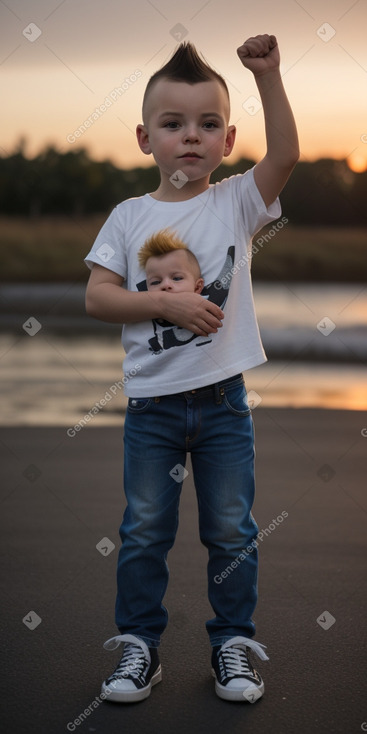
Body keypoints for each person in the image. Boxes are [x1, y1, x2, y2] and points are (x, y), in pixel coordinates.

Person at [85, 34, 299, 704]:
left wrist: (267, 75)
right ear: (145, 137)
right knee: (144, 529)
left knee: (231, 528)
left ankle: (231, 646)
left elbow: (288, 154)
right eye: (173, 125)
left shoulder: (235, 202)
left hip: (223, 405)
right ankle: (138, 650)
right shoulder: (129, 217)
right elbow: (97, 296)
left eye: (208, 125)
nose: (191, 137)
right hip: (150, 408)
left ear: (228, 139)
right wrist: (167, 307)